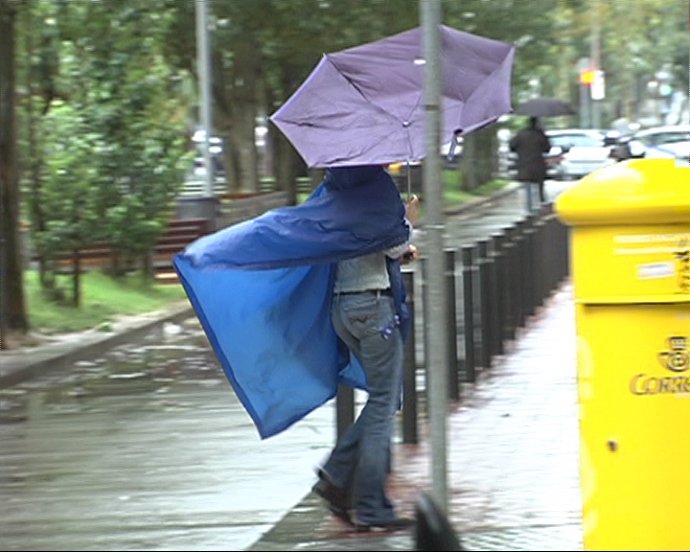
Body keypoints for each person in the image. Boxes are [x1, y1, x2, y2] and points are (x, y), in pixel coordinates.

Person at [311, 184, 419, 533]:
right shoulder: (375, 193)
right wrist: (407, 219)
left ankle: (343, 484)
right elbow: (393, 242)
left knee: (379, 400)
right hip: (372, 306)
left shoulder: (332, 193)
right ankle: (365, 499)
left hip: (343, 307)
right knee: (384, 402)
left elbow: (366, 246)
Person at [509, 116, 551, 212]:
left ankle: (529, 208)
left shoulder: (521, 134)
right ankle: (541, 205)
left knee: (527, 186)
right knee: (540, 186)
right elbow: (547, 149)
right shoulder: (540, 134)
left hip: (524, 164)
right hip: (538, 164)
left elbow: (512, 146)